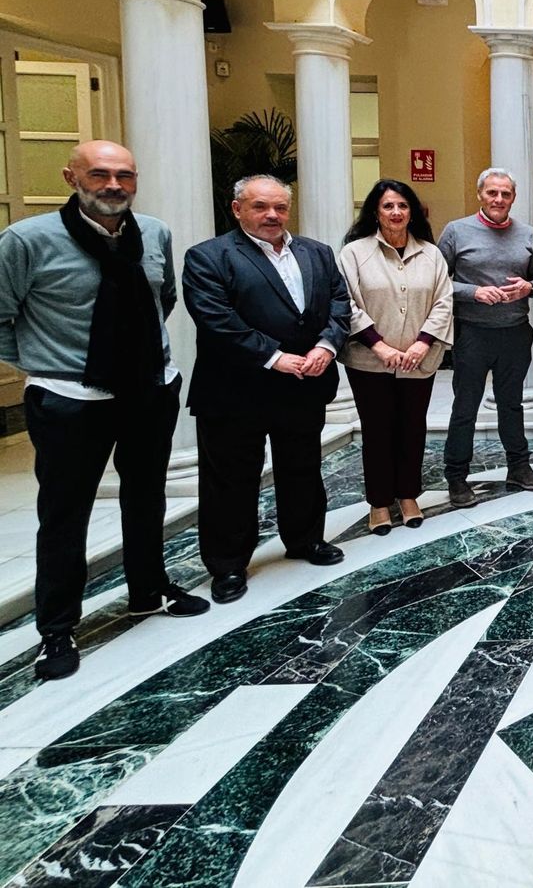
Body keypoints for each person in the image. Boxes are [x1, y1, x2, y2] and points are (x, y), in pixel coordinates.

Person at [0, 141, 209, 680]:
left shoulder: (154, 233)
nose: (113, 185)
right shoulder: (27, 240)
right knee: (65, 515)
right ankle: (57, 628)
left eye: (124, 175)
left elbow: (162, 299)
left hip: (148, 390)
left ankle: (148, 590)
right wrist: (44, 362)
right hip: (70, 400)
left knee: (146, 498)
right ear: (71, 177)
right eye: (99, 174)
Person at [183, 175, 351, 605]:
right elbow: (217, 320)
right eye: (260, 206)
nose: (272, 215)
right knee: (231, 480)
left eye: (279, 207)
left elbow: (339, 303)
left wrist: (326, 346)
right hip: (236, 390)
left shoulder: (317, 252)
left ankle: (306, 539)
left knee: (302, 467)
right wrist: (275, 357)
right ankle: (227, 564)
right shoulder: (209, 257)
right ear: (237, 208)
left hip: (304, 383)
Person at [337, 180, 453, 534]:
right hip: (370, 361)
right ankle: (378, 502)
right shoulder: (354, 253)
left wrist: (422, 344)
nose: (396, 212)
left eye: (403, 205)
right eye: (388, 206)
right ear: (375, 211)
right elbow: (346, 302)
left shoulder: (431, 254)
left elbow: (444, 301)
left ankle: (408, 496)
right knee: (377, 431)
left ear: (412, 212)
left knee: (412, 429)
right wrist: (379, 346)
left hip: (420, 359)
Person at [438, 169, 533, 506]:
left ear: (513, 197)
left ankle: (519, 467)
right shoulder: (456, 231)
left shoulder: (527, 233)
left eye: (505, 194)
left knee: (511, 404)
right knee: (466, 407)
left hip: (515, 333)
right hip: (472, 333)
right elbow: (436, 282)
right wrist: (473, 292)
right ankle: (457, 476)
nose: (499, 199)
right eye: (492, 193)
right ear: (480, 195)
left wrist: (529, 287)